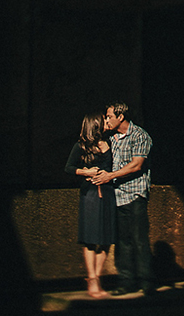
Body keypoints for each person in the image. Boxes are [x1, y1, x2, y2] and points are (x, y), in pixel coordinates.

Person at [92, 100, 156, 296]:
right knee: (122, 242)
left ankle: (146, 282)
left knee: (138, 239)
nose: (107, 120)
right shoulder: (111, 137)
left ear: (121, 116)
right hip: (117, 196)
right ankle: (126, 282)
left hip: (135, 193)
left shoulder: (140, 135)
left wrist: (110, 176)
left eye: (109, 117)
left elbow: (137, 165)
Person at [64, 111, 116, 298]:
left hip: (108, 194)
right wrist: (85, 172)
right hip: (91, 195)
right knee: (91, 238)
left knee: (106, 238)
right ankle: (92, 278)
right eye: (103, 120)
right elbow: (68, 167)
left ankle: (98, 277)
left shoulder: (108, 143)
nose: (106, 121)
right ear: (95, 124)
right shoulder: (81, 146)